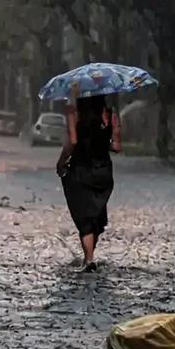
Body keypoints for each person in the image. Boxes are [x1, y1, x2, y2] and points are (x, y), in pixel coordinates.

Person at [56, 94, 122, 272]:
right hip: (103, 172)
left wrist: (61, 162)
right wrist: (102, 142)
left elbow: (72, 142)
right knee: (96, 216)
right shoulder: (110, 116)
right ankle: (89, 257)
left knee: (84, 216)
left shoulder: (75, 114)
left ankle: (89, 260)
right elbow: (116, 146)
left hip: (81, 170)